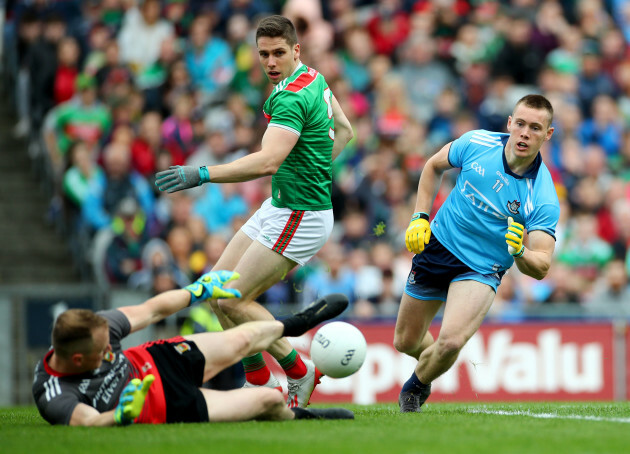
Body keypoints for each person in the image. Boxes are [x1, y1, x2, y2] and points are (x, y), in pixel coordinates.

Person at [155, 15, 354, 408]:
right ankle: (258, 381)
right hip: (282, 206)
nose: (271, 62)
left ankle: (300, 370)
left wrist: (203, 173)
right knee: (216, 291)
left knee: (232, 300)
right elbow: (346, 130)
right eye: (264, 54)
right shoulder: (313, 77)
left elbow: (267, 163)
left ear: (296, 50)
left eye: (279, 52)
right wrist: (315, 169)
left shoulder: (291, 96)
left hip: (300, 213)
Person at [394, 94, 560, 412]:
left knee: (452, 342)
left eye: (535, 128)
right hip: (439, 246)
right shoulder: (477, 143)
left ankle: (414, 389)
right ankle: (431, 368)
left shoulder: (542, 195)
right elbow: (432, 166)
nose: (525, 133)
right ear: (510, 123)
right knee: (405, 342)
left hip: (482, 268)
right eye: (521, 124)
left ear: (547, 134)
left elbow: (541, 266)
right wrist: (419, 216)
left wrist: (521, 250)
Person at [32, 270, 353, 426]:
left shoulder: (97, 325)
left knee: (241, 341)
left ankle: (295, 323)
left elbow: (153, 309)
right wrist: (118, 415)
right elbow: (87, 422)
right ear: (76, 360)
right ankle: (304, 418)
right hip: (164, 405)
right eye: (103, 352)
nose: (110, 353)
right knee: (268, 400)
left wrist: (195, 291)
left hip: (158, 359)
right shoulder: (53, 393)